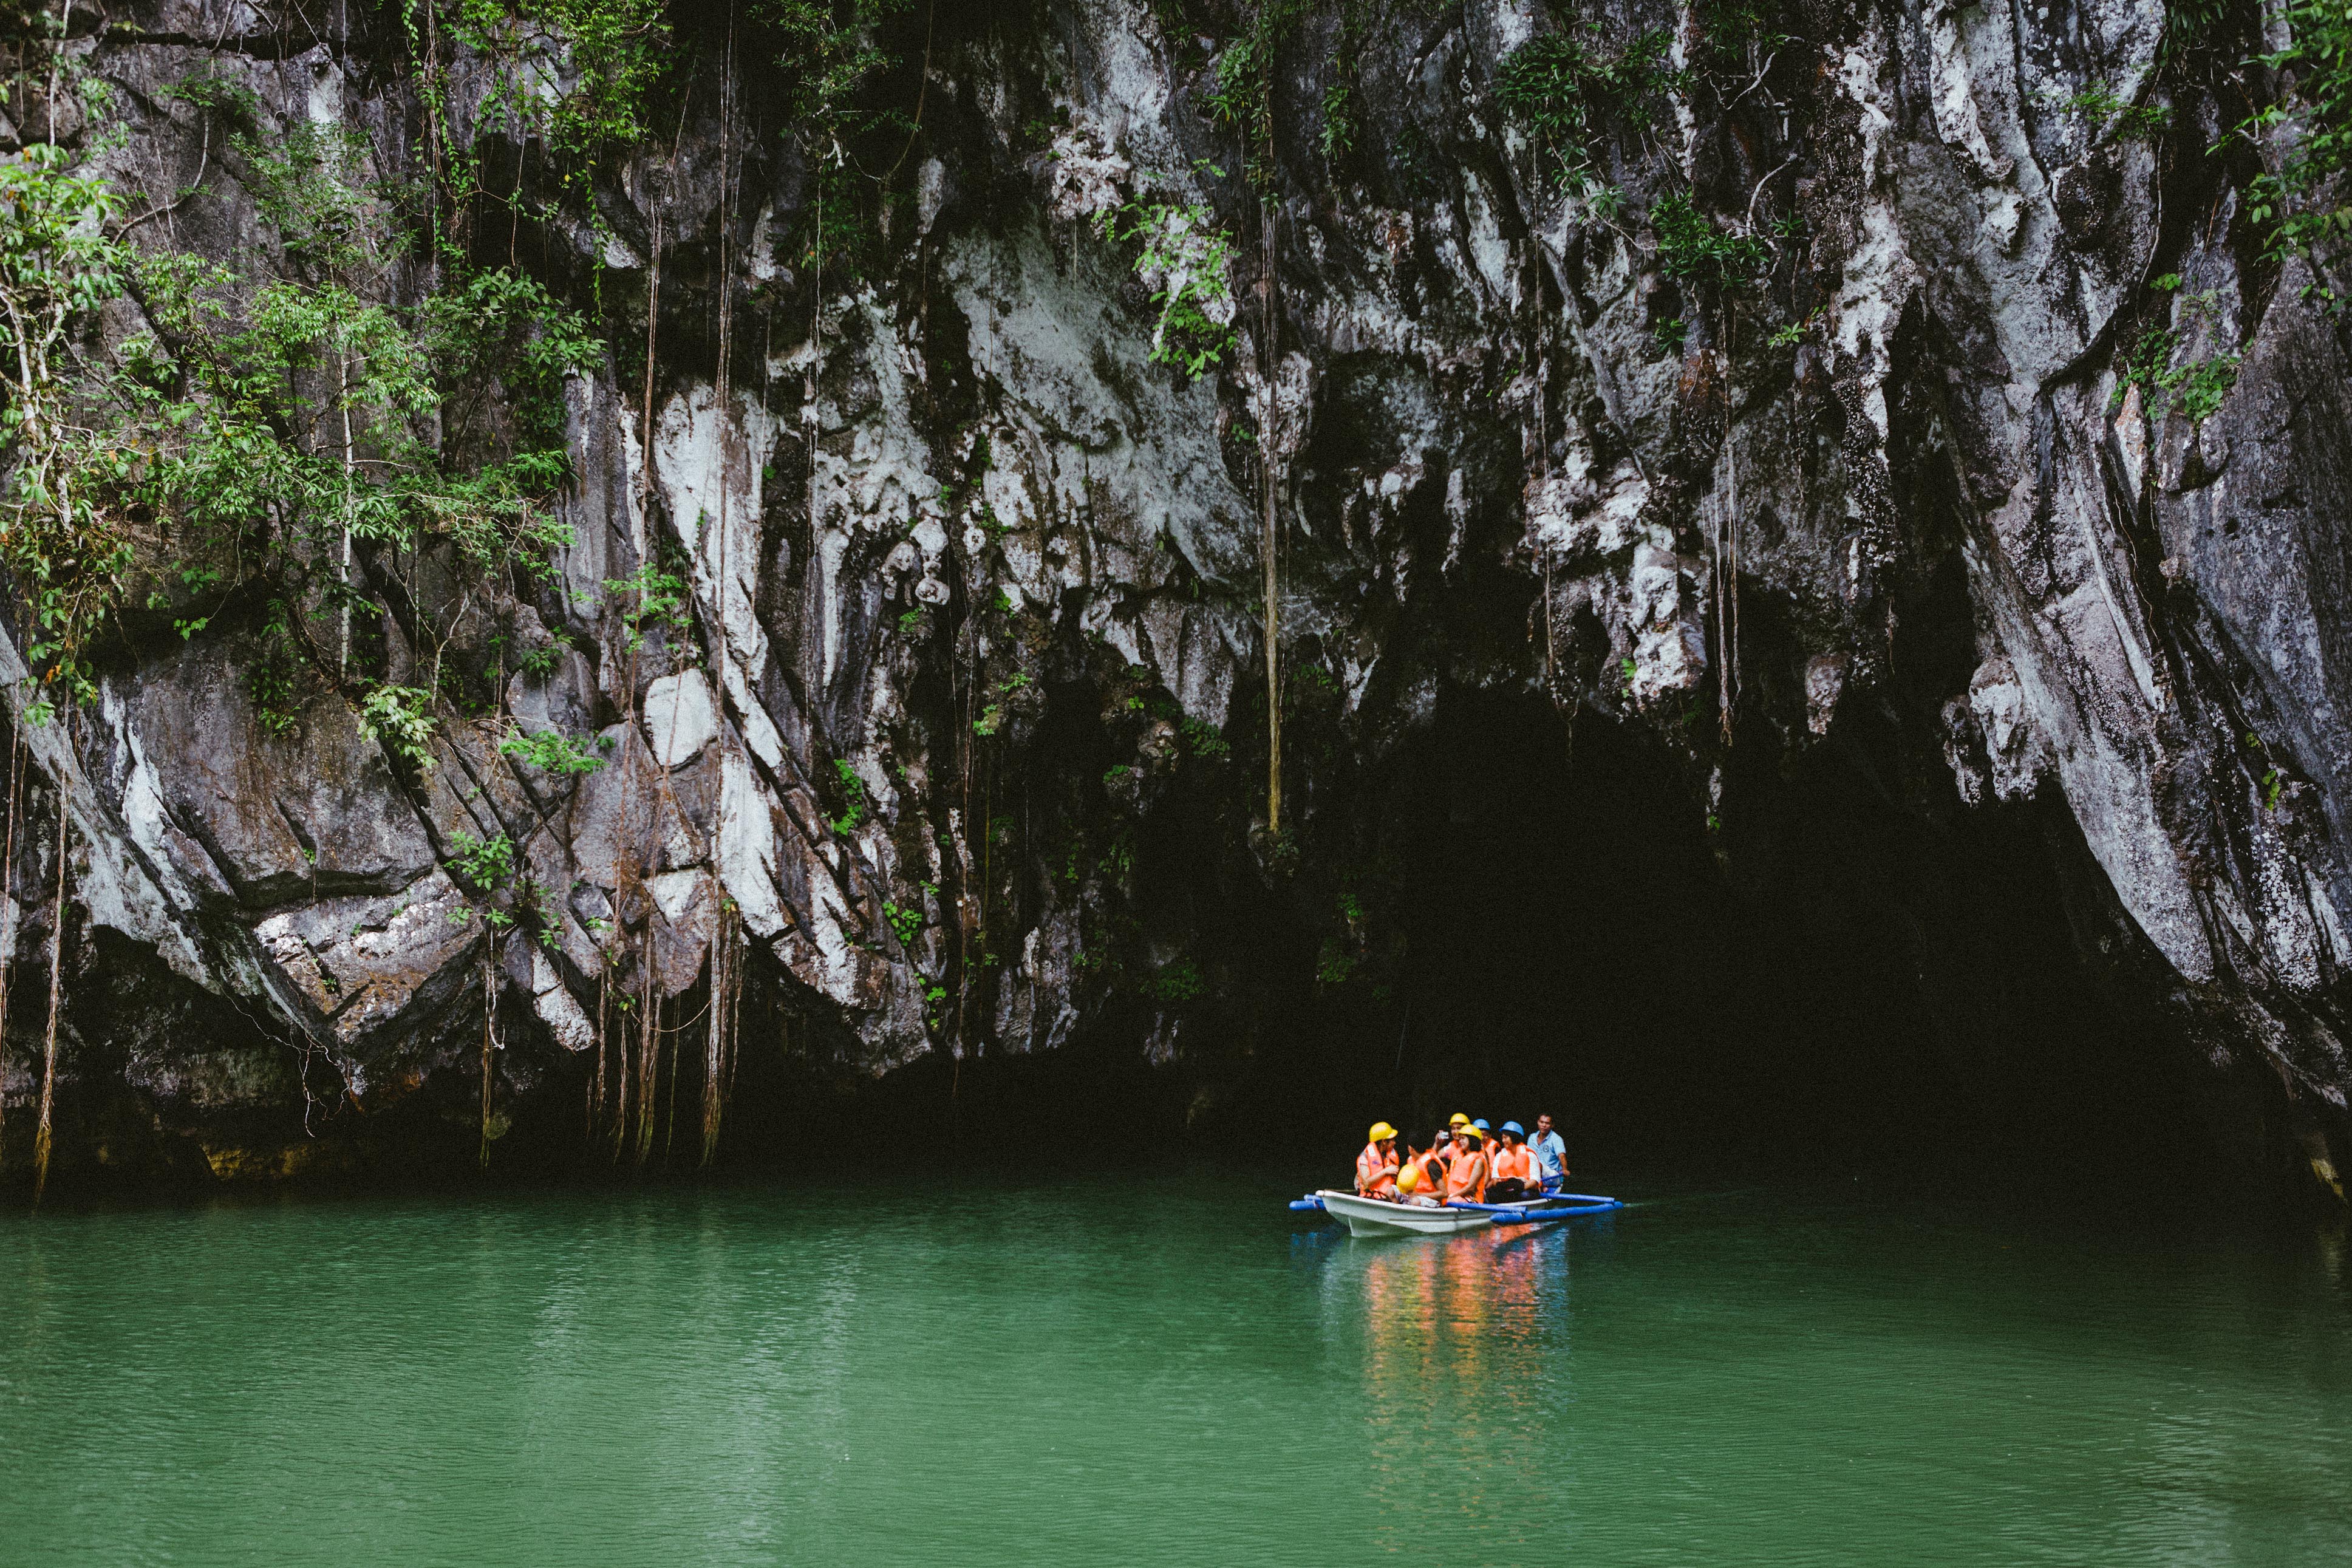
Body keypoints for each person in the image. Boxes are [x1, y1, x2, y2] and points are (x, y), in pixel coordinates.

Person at [1486, 1122, 1537, 1203]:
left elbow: (1535, 1181)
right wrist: (1507, 1188)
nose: (1503, 1141)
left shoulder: (1530, 1155)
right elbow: (1495, 1179)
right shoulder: (1499, 1156)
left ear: (1514, 1137)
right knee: (1492, 1194)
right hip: (1506, 1189)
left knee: (1525, 1195)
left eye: (1506, 1138)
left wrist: (1518, 1188)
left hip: (1524, 1188)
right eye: (1502, 1138)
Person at [1444, 1123, 1490, 1204]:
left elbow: (1471, 1188)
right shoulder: (1460, 1156)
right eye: (1460, 1139)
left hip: (1471, 1200)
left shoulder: (1478, 1161)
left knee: (1446, 1200)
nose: (1460, 1141)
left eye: (1463, 1139)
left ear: (1472, 1139)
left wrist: (1452, 1196)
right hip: (1455, 1197)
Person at [1355, 1122, 1401, 1198]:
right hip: (1372, 1197)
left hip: (1390, 1196)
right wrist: (1385, 1171)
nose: (1395, 1143)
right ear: (1384, 1142)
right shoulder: (1364, 1157)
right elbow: (1366, 1183)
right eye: (1392, 1140)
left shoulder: (1390, 1155)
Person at [1528, 1112, 1569, 1193]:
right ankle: (1540, 1185)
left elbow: (1562, 1156)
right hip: (1535, 1173)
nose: (1544, 1125)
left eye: (1547, 1123)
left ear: (1552, 1125)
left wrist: (1565, 1169)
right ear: (1538, 1122)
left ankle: (1540, 1185)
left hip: (1552, 1175)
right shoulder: (1532, 1137)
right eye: (1542, 1122)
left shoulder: (1556, 1139)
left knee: (1538, 1166)